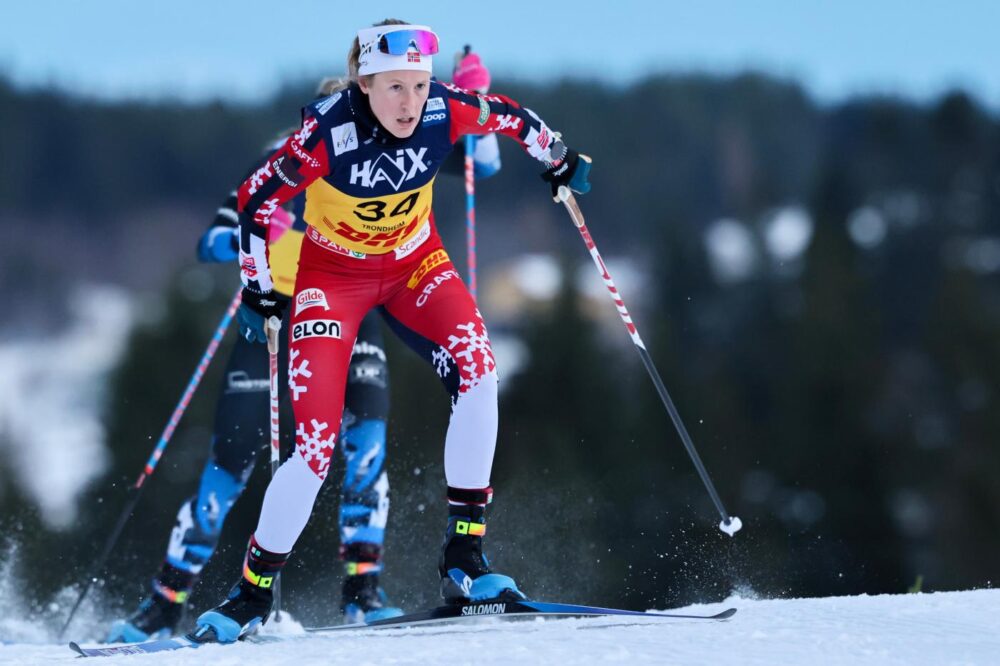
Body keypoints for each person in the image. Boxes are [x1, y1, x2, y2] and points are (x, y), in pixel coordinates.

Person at [194, 19, 592, 643]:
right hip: (333, 281)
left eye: (418, 85)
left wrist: (560, 161)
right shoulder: (329, 129)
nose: (410, 103)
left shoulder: (442, 109)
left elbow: (512, 118)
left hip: (415, 267)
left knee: (480, 373)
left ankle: (464, 561)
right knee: (316, 448)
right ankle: (251, 593)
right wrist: (257, 288)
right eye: (393, 89)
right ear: (363, 83)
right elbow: (254, 199)